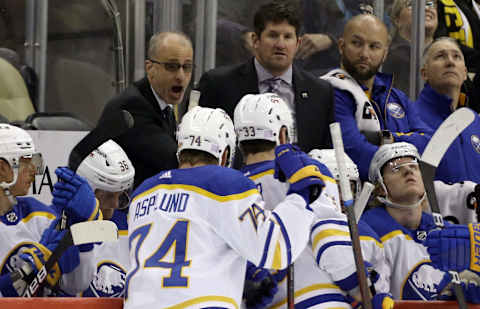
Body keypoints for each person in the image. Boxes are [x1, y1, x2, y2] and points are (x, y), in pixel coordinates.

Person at [124, 106, 328, 309]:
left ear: (180, 147)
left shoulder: (142, 192)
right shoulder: (225, 182)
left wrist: (243, 279)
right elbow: (276, 248)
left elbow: (188, 240)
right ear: (225, 154)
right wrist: (301, 195)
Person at [234, 93, 392, 308]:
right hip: (320, 301)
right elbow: (331, 243)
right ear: (283, 133)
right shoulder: (306, 170)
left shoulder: (230, 189)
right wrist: (367, 291)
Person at [198, 0, 335, 158]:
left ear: (298, 44)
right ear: (255, 40)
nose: (280, 44)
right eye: (273, 35)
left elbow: (328, 154)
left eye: (288, 37)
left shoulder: (321, 92)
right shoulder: (218, 84)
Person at [360, 142, 479, 302]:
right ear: (380, 188)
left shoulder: (445, 229)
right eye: (396, 168)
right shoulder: (368, 228)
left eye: (414, 166)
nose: (408, 170)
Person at [321, 14, 432, 181]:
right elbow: (354, 150)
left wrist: (388, 138)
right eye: (357, 43)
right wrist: (403, 170)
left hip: (399, 194)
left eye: (374, 46)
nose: (365, 53)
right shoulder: (332, 90)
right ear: (341, 46)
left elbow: (429, 142)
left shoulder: (396, 96)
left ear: (385, 53)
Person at [0, 124, 99, 297]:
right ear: (2, 168)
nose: (33, 170)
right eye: (25, 161)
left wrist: (80, 231)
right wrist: (33, 268)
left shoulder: (37, 213)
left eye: (35, 162)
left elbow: (76, 284)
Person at [98, 31, 193, 189]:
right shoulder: (132, 107)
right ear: (150, 68)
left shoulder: (163, 104)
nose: (181, 76)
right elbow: (175, 163)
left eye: (187, 67)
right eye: (172, 66)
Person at [76, 139, 135, 297]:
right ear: (85, 190)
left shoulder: (132, 227)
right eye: (109, 196)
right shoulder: (60, 228)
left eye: (120, 194)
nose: (115, 205)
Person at [417, 37, 480, 185]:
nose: (450, 62)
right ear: (424, 73)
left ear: (465, 73)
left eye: (456, 56)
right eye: (440, 56)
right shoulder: (409, 119)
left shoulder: (475, 122)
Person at [383, 0, 439, 94]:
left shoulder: (450, 53)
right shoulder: (387, 55)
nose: (426, 8)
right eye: (412, 5)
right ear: (397, 20)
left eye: (429, 4)